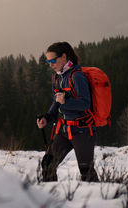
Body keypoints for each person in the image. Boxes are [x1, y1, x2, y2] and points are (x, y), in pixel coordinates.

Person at [36, 41, 99, 182]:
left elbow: (85, 104)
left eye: (53, 60)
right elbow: (57, 103)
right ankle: (50, 199)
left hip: (82, 131)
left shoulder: (77, 76)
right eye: (48, 62)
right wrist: (47, 117)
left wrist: (66, 102)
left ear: (64, 57)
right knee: (48, 164)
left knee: (86, 171)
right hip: (64, 130)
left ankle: (102, 200)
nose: (50, 65)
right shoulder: (57, 78)